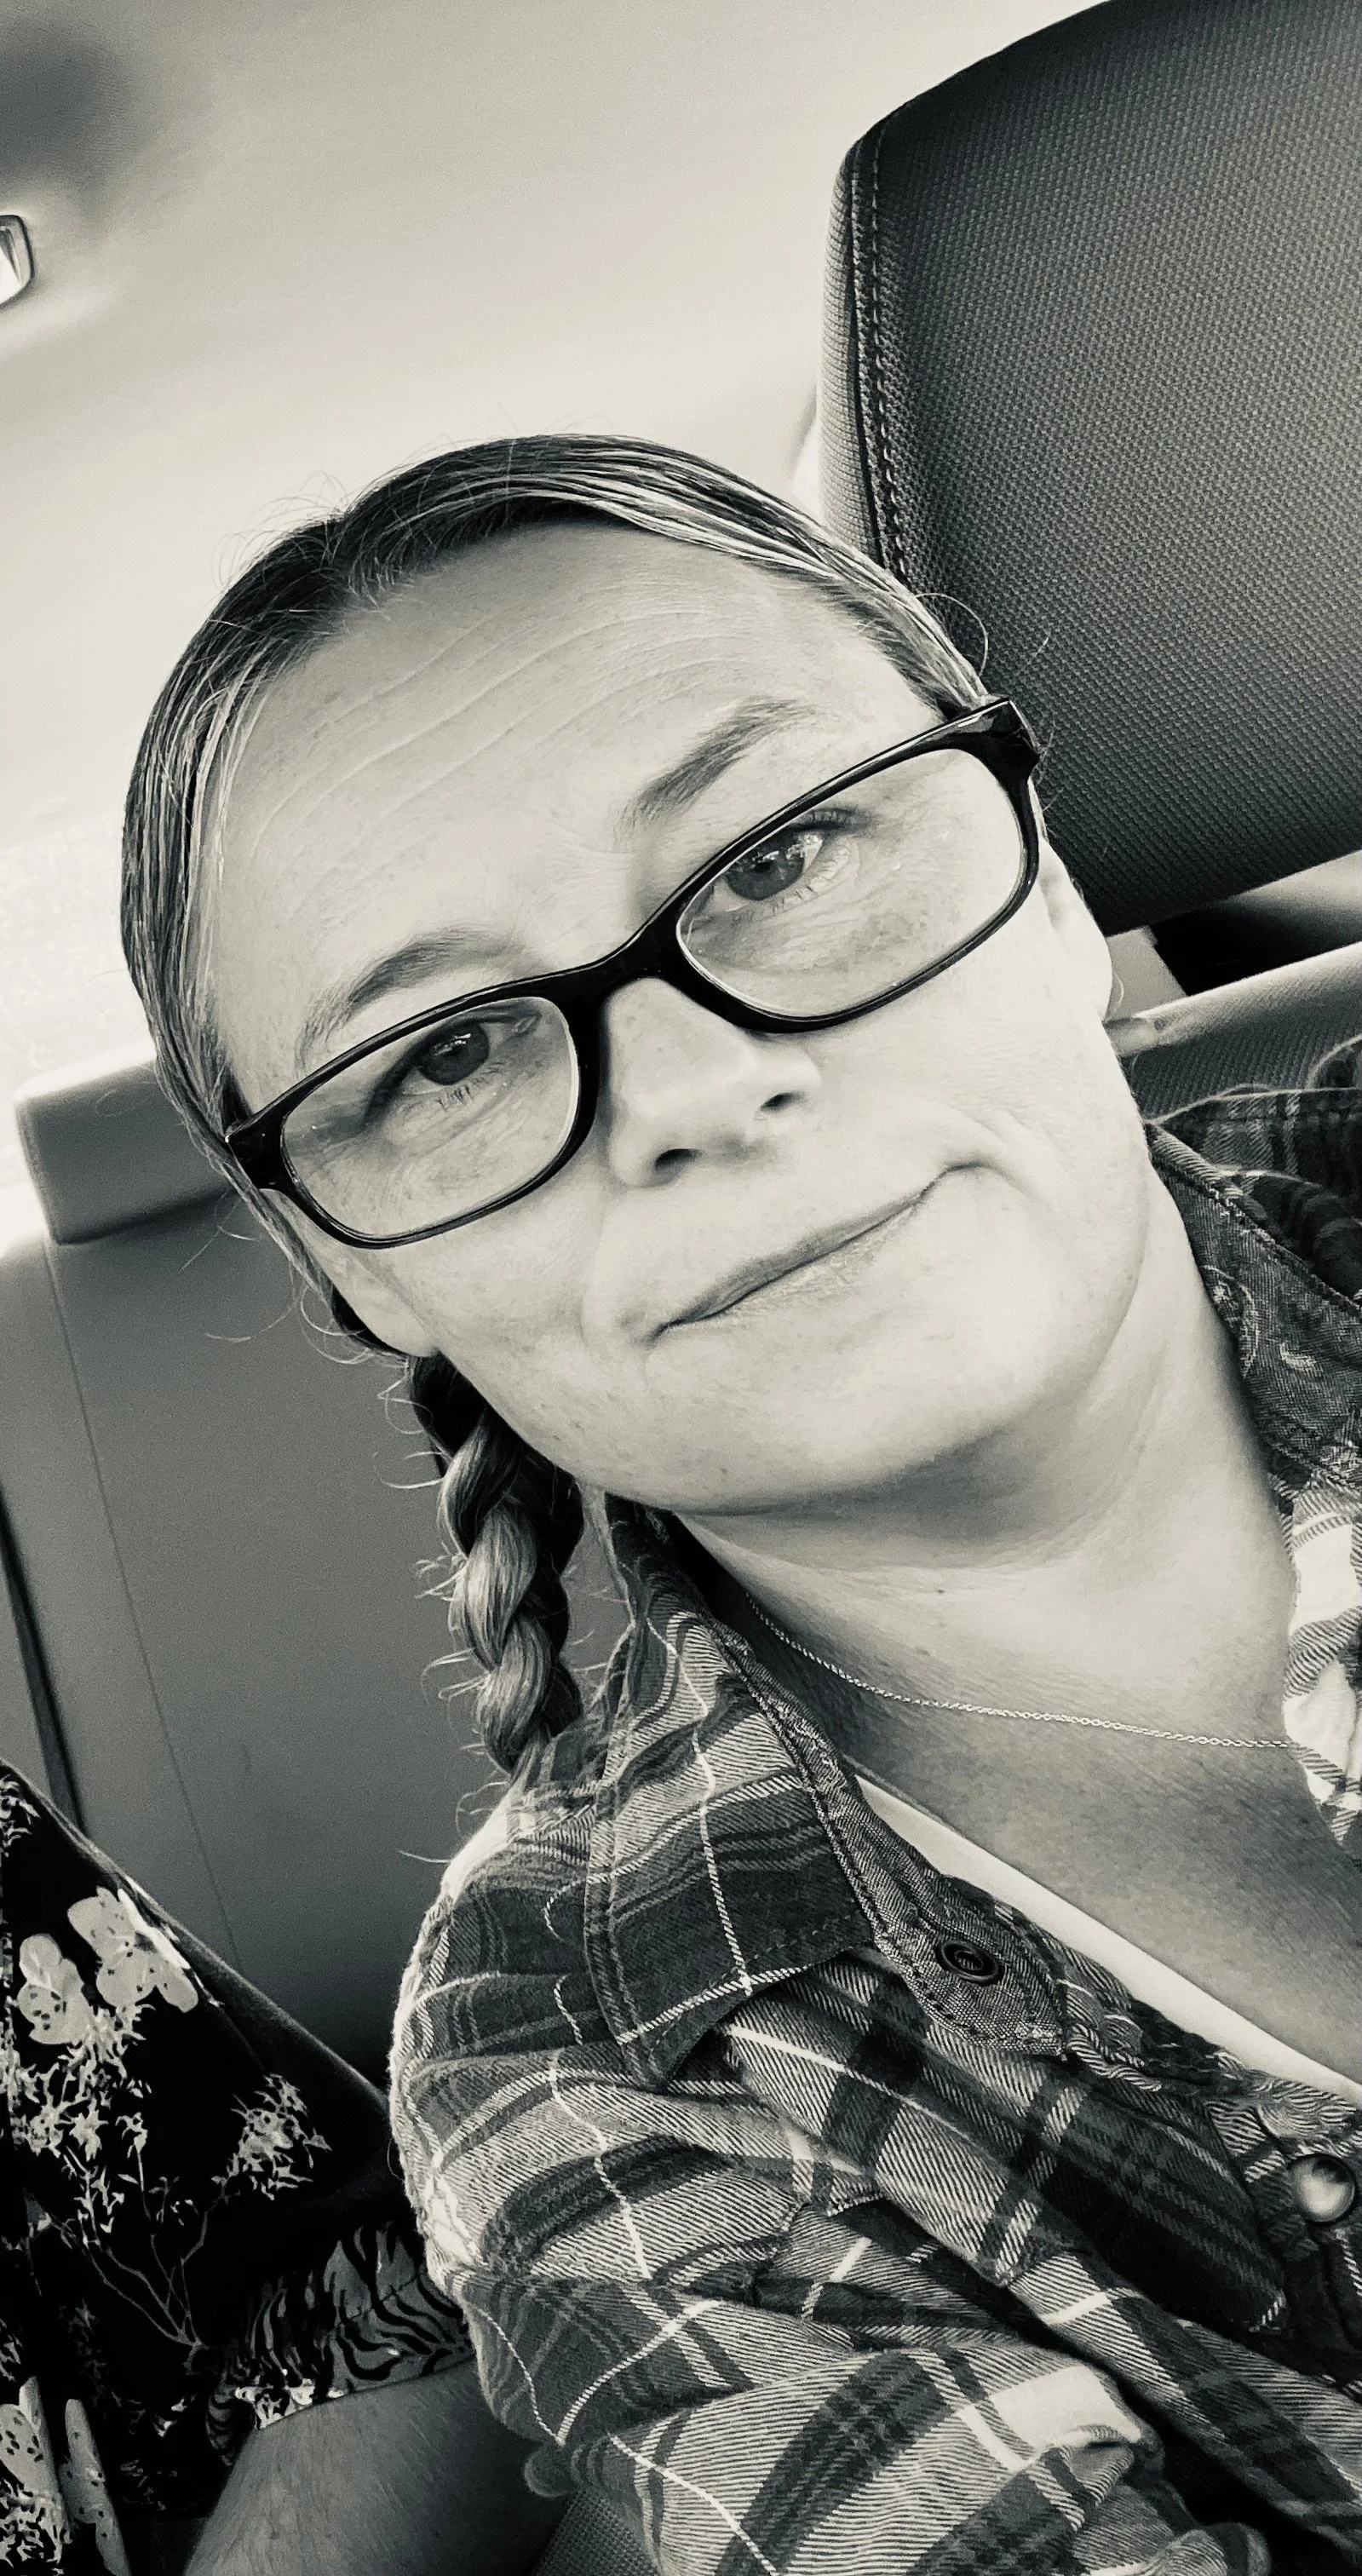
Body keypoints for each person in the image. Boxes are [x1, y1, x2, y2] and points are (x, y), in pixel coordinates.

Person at [23, 429, 1362, 2572]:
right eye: (443, 1055)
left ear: (1041, 866)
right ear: (347, 1265)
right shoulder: (582, 2049)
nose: (696, 1089)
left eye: (781, 854)